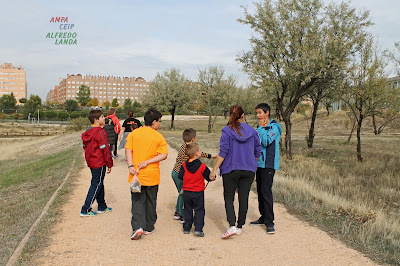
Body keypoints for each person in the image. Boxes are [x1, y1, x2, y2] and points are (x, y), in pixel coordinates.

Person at [210, 104, 261, 239]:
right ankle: (239, 226)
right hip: (249, 169)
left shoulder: (227, 131)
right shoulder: (253, 131)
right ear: (243, 115)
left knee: (229, 197)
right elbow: (258, 151)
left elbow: (223, 152)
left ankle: (232, 225)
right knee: (243, 197)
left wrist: (214, 169)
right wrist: (251, 161)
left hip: (230, 169)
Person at [125, 108, 168, 240]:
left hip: (136, 175)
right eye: (159, 121)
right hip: (152, 176)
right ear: (154, 122)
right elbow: (164, 155)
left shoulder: (134, 134)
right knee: (151, 201)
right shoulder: (158, 136)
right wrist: (149, 161)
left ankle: (138, 226)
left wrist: (131, 165)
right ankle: (149, 226)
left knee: (137, 201)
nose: (159, 124)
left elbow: (128, 149)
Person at [172, 128, 216, 223]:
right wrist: (210, 156)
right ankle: (182, 214)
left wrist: (209, 156)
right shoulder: (189, 148)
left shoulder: (184, 146)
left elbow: (198, 154)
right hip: (180, 173)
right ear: (193, 139)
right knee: (183, 193)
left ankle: (177, 211)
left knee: (181, 192)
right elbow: (198, 153)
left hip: (175, 172)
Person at [250, 103, 282, 234]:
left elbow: (266, 141)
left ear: (267, 113)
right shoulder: (260, 126)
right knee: (260, 191)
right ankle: (263, 216)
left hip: (269, 164)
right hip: (259, 164)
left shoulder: (275, 127)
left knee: (266, 192)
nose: (258, 115)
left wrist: (262, 128)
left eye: (260, 113)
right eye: (257, 113)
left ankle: (270, 222)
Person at [80, 110, 113, 217]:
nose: (104, 118)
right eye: (102, 117)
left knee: (99, 182)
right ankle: (86, 209)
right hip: (99, 162)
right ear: (96, 120)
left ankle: (102, 206)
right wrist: (109, 163)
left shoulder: (88, 131)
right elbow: (106, 149)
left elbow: (85, 147)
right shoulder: (100, 132)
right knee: (96, 184)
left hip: (91, 161)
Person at [178, 143, 214, 237]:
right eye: (200, 150)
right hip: (198, 192)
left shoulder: (184, 165)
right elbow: (208, 177)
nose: (201, 151)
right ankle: (198, 228)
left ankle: (187, 227)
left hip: (187, 192)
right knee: (199, 210)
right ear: (196, 153)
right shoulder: (202, 166)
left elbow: (180, 176)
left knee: (187, 209)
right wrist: (212, 178)